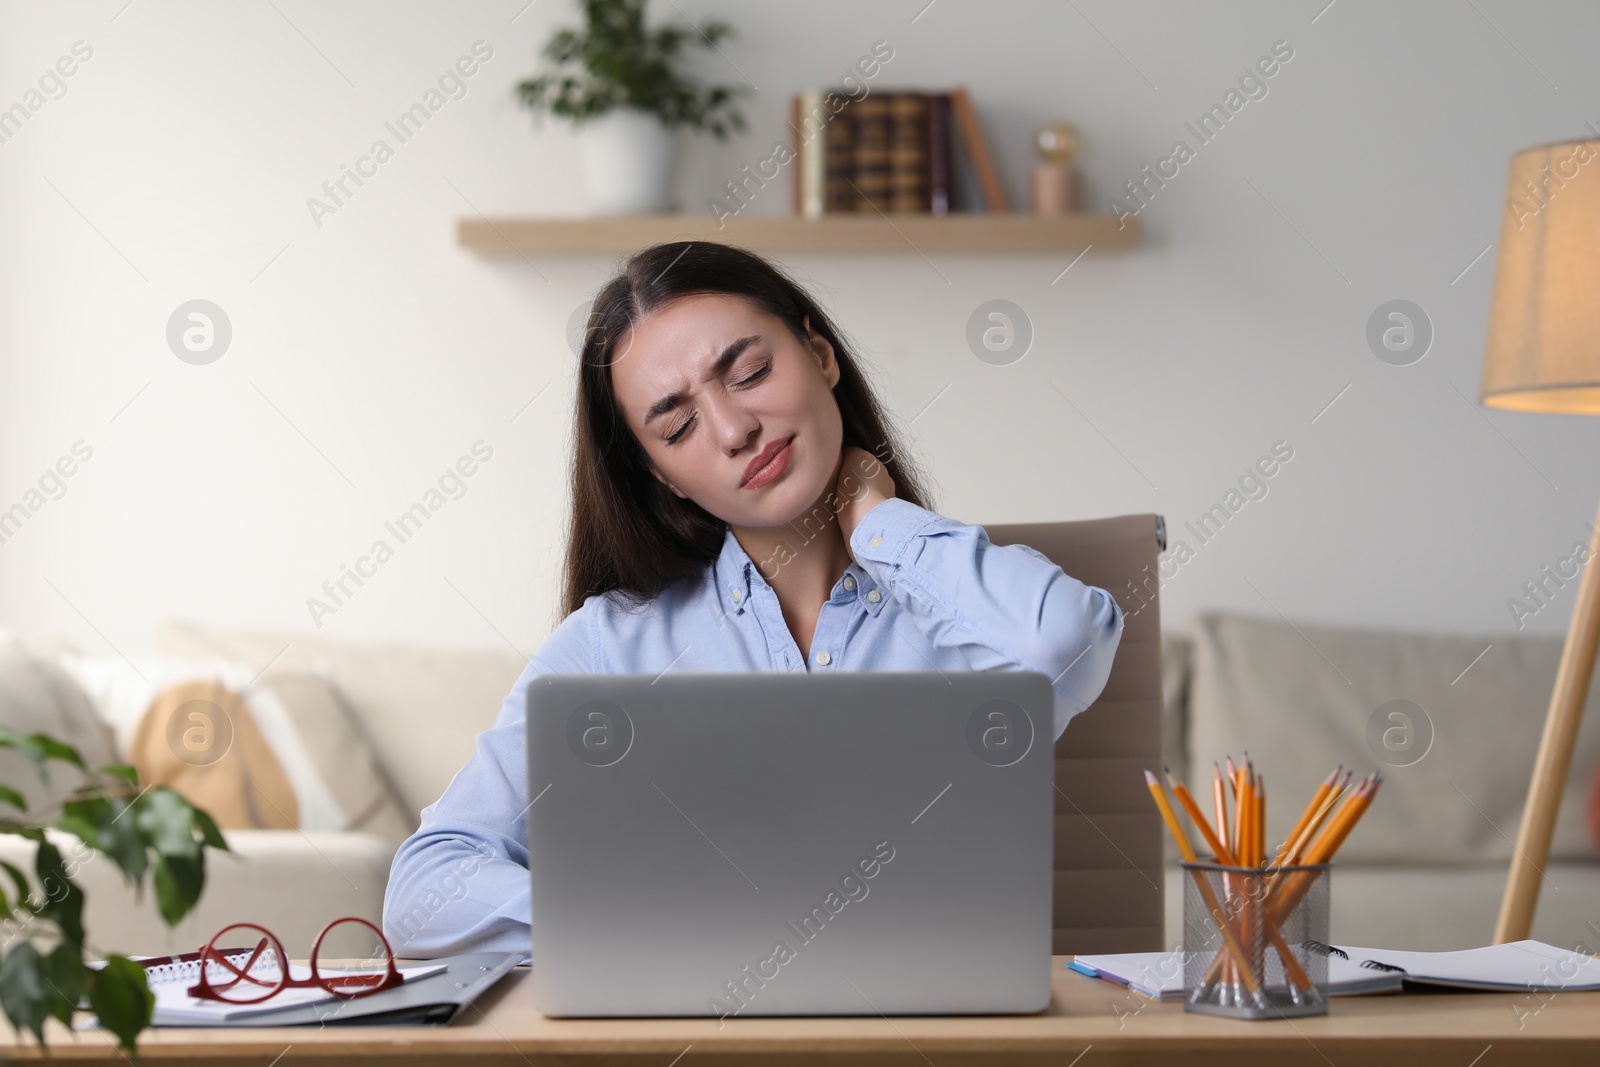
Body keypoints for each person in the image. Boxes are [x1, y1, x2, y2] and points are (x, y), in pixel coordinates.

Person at [382, 241, 1125, 958]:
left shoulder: (964, 612)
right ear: (663, 475)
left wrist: (877, 522)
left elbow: (1063, 645)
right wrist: (649, 929)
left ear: (822, 354)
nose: (736, 429)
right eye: (678, 425)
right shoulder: (612, 646)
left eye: (750, 372)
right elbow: (426, 889)